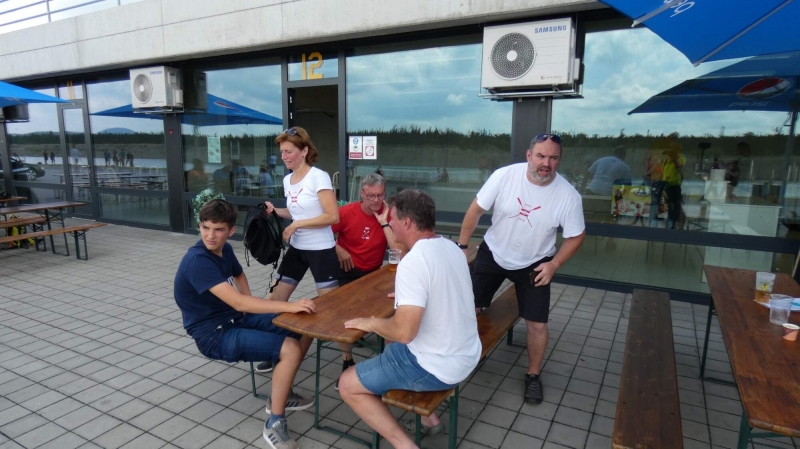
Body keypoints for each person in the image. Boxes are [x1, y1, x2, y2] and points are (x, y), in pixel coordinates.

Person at [339, 189, 481, 448]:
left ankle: (405, 446)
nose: (389, 223)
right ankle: (429, 420)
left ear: (406, 222)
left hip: (439, 366)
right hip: (468, 352)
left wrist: (371, 323)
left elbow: (404, 333)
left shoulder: (413, 262)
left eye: (391, 218)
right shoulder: (450, 247)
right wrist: (412, 296)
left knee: (347, 383)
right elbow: (442, 286)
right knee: (391, 344)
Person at [173, 199, 316, 449]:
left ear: (231, 231)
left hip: (235, 318)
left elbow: (238, 275)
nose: (210, 235)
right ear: (199, 226)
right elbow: (239, 303)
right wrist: (286, 305)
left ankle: (281, 394)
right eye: (206, 227)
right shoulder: (197, 261)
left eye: (218, 229)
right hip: (214, 334)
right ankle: (275, 423)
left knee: (305, 327)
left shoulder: (225, 250)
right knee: (290, 348)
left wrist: (248, 301)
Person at [457, 133, 585, 405]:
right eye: (540, 156)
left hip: (535, 263)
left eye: (553, 158)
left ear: (559, 160)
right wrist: (462, 246)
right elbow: (475, 210)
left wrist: (554, 264)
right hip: (493, 252)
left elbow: (576, 235)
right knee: (468, 307)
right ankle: (467, 353)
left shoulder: (568, 196)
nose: (546, 163)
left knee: (537, 324)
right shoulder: (505, 176)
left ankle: (533, 375)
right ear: (529, 156)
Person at [260, 126, 340, 371]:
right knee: (275, 298)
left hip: (321, 250)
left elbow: (332, 216)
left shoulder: (318, 177)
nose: (283, 157)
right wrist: (275, 211)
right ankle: (275, 349)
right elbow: (295, 212)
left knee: (330, 307)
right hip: (298, 248)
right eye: (282, 152)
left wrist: (297, 224)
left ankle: (347, 360)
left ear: (304, 151)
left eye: (289, 151)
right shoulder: (287, 179)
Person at [329, 173, 406, 388]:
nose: (376, 200)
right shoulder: (346, 212)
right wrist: (338, 248)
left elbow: (398, 251)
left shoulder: (390, 215)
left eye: (380, 195)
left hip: (374, 273)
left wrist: (384, 223)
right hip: (347, 270)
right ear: (362, 193)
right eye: (371, 195)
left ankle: (388, 362)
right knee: (343, 313)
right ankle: (347, 360)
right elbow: (322, 234)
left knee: (394, 308)